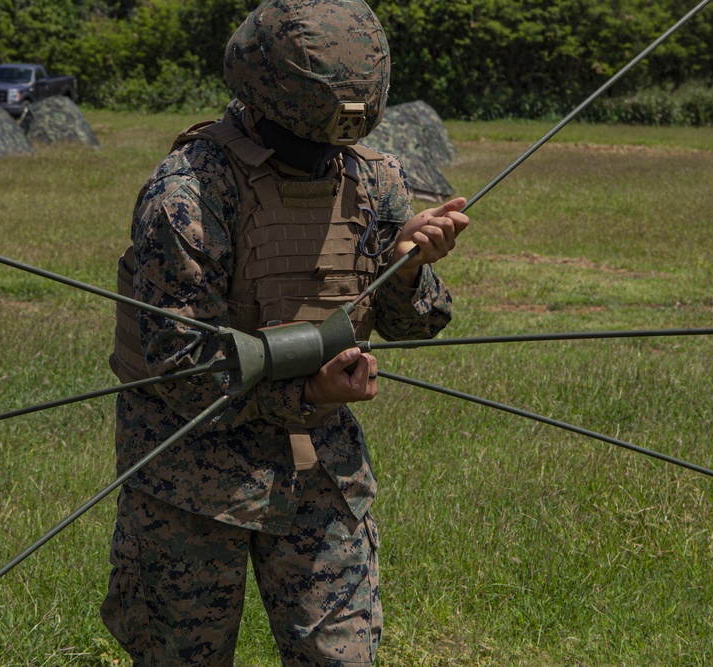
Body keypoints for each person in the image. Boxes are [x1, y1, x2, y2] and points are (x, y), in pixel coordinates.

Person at [100, 0, 469, 664]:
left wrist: (406, 268)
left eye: (336, 141)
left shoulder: (368, 177)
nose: (325, 158)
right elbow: (183, 367)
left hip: (317, 473)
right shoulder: (188, 195)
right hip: (190, 482)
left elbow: (416, 325)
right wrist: (307, 392)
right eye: (311, 142)